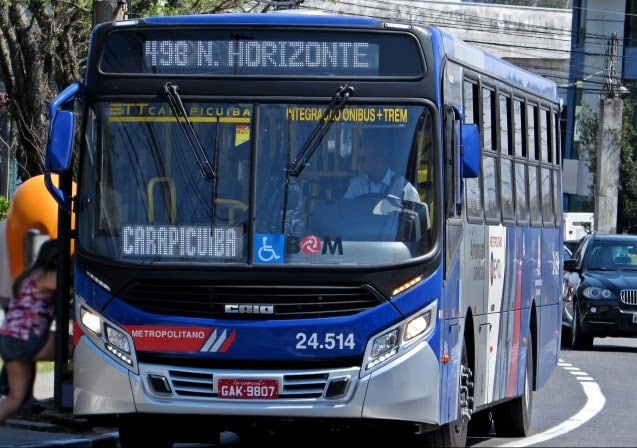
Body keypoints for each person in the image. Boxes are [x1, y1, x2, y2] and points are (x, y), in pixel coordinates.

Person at [0, 239, 58, 423]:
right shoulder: (47, 276)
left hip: (10, 338)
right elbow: (73, 282)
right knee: (76, 343)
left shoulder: (30, 274)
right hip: (26, 338)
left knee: (15, 399)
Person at [344, 136, 420, 202]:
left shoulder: (404, 188)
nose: (359, 163)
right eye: (358, 159)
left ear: (379, 161)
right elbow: (346, 209)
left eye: (363, 159)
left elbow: (413, 216)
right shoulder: (357, 184)